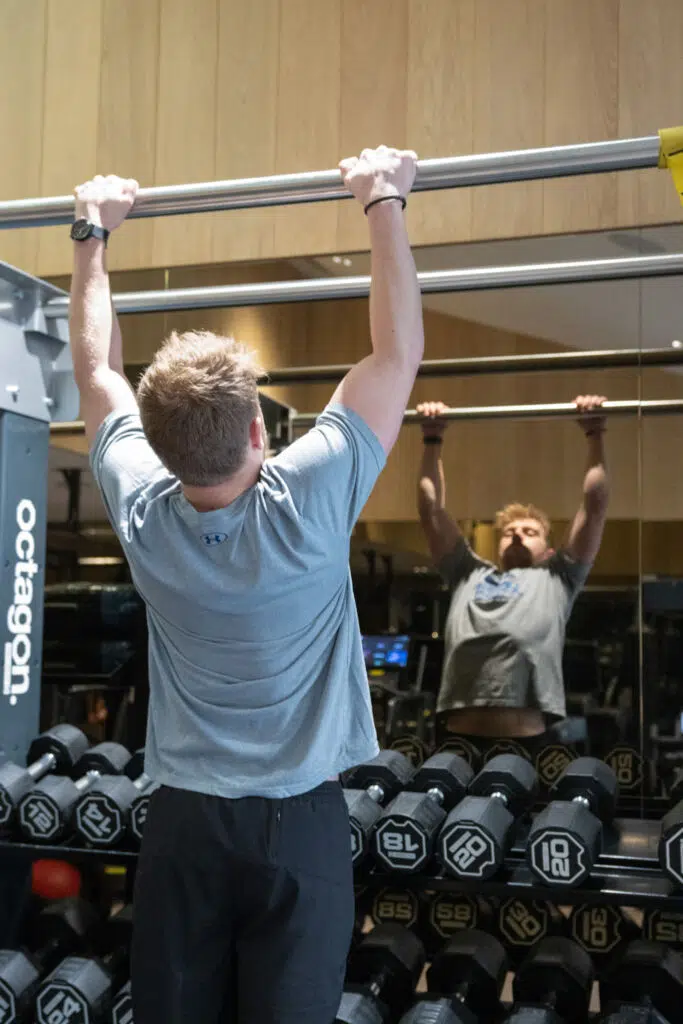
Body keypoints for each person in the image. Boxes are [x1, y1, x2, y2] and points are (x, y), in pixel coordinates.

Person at [67, 146, 423, 1024]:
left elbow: (97, 374)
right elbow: (396, 354)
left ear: (160, 449)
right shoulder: (309, 500)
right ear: (260, 433)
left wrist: (90, 232)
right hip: (296, 822)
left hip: (184, 822)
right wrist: (381, 197)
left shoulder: (142, 507)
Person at [417, 396, 610, 743]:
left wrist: (594, 432)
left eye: (529, 532)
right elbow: (431, 510)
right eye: (509, 532)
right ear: (498, 545)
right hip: (457, 741)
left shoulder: (557, 576)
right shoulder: (468, 572)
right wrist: (433, 436)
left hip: (527, 742)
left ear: (548, 550)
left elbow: (594, 507)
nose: (518, 534)